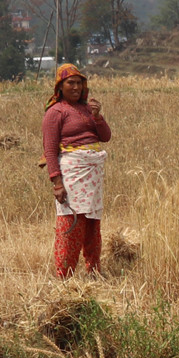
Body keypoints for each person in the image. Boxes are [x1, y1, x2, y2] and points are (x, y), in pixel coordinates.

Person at [40, 63, 112, 278]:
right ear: (60, 86)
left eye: (79, 82)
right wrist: (57, 183)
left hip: (92, 174)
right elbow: (50, 150)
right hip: (72, 172)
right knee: (71, 223)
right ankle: (65, 276)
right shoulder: (55, 112)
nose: (76, 87)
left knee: (92, 223)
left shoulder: (87, 109)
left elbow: (105, 137)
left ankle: (93, 272)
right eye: (71, 82)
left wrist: (98, 117)